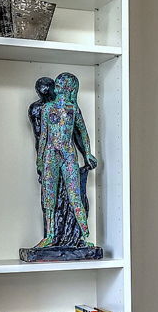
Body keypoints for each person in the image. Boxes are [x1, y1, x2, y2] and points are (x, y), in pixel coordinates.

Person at [26, 72, 102, 257]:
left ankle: (84, 235)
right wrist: (40, 161)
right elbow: (44, 137)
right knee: (49, 196)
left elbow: (82, 132)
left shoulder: (73, 109)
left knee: (74, 194)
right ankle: (50, 235)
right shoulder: (47, 109)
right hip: (51, 155)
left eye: (65, 87)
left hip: (68, 155)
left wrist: (88, 153)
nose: (62, 90)